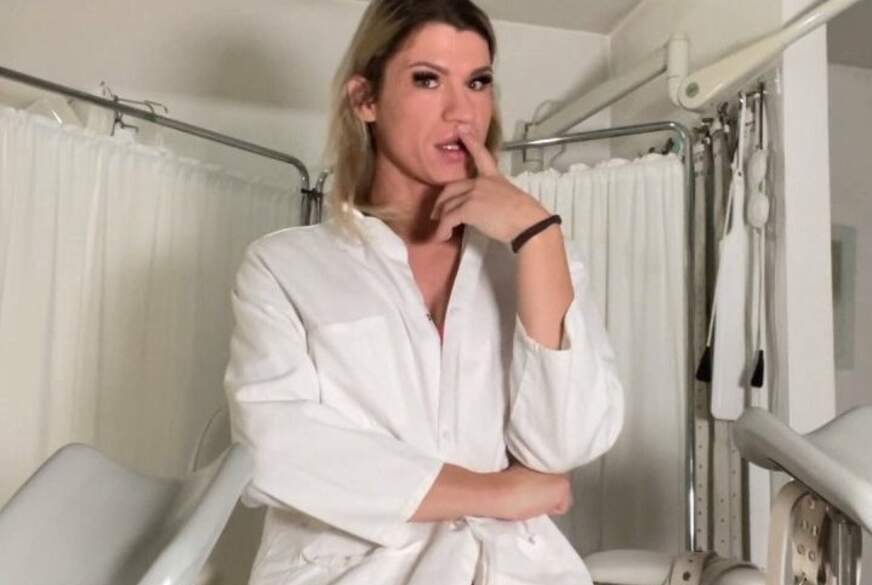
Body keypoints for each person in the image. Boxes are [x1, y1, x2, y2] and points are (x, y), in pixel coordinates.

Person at [224, 1, 624, 583]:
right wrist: (497, 493)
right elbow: (274, 450)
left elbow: (565, 444)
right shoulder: (284, 268)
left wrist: (538, 237)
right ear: (365, 99)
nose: (462, 111)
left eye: (478, 82)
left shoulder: (535, 258)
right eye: (427, 80)